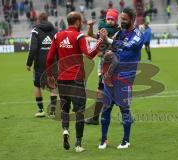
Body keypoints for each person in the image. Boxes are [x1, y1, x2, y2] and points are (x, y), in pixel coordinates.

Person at [46, 12, 107, 152]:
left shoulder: (57, 36)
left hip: (62, 79)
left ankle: (65, 130)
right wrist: (100, 41)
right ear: (78, 22)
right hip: (77, 79)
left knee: (65, 109)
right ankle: (78, 144)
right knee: (80, 111)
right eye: (82, 21)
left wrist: (50, 75)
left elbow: (49, 58)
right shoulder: (78, 36)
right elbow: (89, 55)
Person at [98, 7, 144, 149]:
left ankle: (126, 140)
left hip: (125, 77)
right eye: (121, 19)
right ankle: (104, 139)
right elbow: (109, 49)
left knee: (124, 109)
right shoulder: (120, 32)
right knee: (105, 108)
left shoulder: (137, 35)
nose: (122, 21)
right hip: (110, 76)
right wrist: (105, 45)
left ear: (132, 19)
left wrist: (110, 41)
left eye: (124, 19)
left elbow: (129, 46)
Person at [85, 9, 120, 125]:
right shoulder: (104, 30)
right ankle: (95, 118)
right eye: (108, 19)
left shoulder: (118, 32)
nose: (109, 21)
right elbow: (92, 35)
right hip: (103, 64)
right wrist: (90, 26)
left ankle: (95, 118)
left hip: (113, 64)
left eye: (112, 19)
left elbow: (116, 46)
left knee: (109, 89)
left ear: (116, 21)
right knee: (104, 89)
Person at [26, 12, 58, 118]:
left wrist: (29, 63)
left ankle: (41, 111)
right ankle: (53, 112)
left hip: (39, 63)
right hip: (53, 62)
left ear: (38, 20)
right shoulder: (55, 31)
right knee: (53, 86)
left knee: (37, 85)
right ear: (47, 18)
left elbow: (33, 48)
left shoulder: (35, 31)